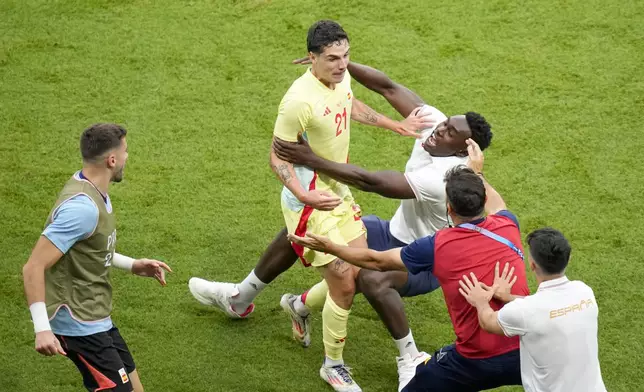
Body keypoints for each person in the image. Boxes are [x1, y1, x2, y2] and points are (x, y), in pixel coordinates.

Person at [191, 58, 493, 388]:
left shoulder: (445, 178)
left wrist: (312, 159)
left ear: (464, 148)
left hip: (431, 260)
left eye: (450, 131)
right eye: (446, 122)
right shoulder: (434, 125)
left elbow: (371, 182)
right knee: (305, 230)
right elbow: (386, 86)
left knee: (370, 280)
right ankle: (242, 298)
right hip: (393, 233)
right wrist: (342, 63)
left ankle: (409, 357)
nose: (439, 129)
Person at [289, 141, 529, 392]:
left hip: (471, 361)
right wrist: (477, 172)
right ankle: (300, 304)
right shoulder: (507, 224)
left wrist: (331, 247)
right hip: (524, 353)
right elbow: (497, 201)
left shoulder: (439, 245)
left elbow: (376, 261)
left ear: (449, 208)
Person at [22, 123, 172, 392]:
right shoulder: (82, 209)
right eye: (126, 151)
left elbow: (89, 246)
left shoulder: (93, 189)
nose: (128, 157)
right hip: (79, 323)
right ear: (111, 160)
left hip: (96, 315)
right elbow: (33, 267)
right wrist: (42, 329)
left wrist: (132, 265)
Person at [458, 228, 607, 392]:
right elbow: (547, 308)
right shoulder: (585, 292)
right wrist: (509, 297)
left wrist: (481, 302)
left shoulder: (526, 311)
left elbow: (488, 322)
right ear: (568, 259)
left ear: (532, 265)